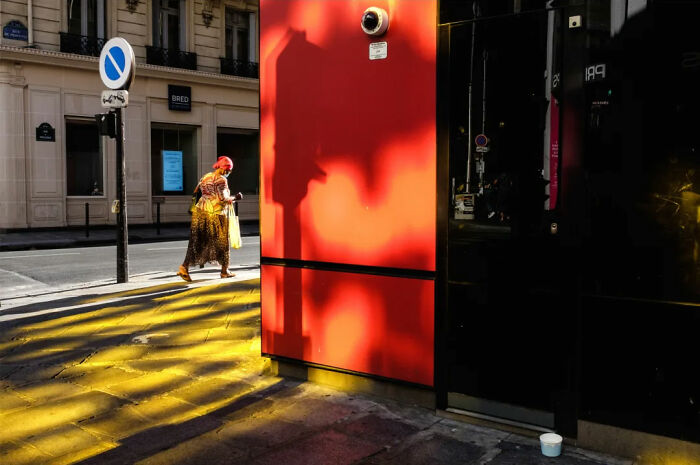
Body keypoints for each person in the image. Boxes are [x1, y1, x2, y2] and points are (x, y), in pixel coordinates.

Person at [177, 156, 242, 282]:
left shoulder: (206, 176)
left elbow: (196, 191)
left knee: (198, 242)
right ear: (224, 169)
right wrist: (236, 197)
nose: (229, 172)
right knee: (223, 243)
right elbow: (223, 199)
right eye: (229, 170)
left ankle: (184, 267)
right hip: (216, 215)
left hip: (200, 212)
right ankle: (224, 271)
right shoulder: (222, 180)